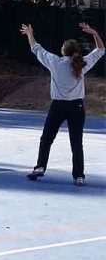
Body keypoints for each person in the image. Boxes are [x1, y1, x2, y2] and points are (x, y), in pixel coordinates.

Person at [22, 22, 105, 186]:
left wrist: (30, 33)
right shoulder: (82, 64)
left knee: (46, 139)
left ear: (63, 50)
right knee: (76, 142)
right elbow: (101, 50)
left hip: (58, 107)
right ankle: (79, 176)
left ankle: (40, 167)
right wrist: (94, 33)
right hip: (76, 107)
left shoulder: (55, 62)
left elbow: (36, 48)